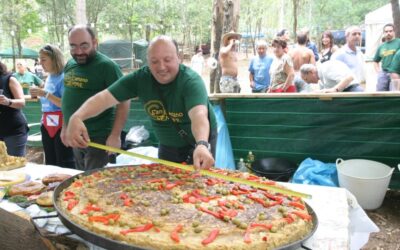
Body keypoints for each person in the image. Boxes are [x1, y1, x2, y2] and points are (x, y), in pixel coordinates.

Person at [64, 35, 217, 169]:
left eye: (167, 60)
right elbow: (104, 98)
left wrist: (202, 144)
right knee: (168, 187)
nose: (161, 67)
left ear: (179, 58)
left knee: (199, 188)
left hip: (198, 140)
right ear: (147, 62)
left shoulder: (191, 82)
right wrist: (77, 116)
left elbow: (199, 115)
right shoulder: (140, 78)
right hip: (167, 143)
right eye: (154, 61)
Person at [61, 25, 130, 171]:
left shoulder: (107, 66)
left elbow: (124, 101)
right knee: (79, 177)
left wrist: (115, 135)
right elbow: (68, 98)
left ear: (95, 42)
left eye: (84, 45)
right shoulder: (70, 64)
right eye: (73, 46)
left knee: (96, 185)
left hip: (100, 138)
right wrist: (65, 127)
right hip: (76, 136)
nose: (79, 51)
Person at [29, 45, 75, 168]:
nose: (40, 63)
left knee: (64, 160)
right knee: (50, 161)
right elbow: (48, 101)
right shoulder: (49, 77)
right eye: (40, 59)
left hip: (62, 123)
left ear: (54, 59)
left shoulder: (64, 77)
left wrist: (45, 93)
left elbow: (66, 104)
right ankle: (52, 186)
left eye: (44, 59)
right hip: (46, 122)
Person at [0, 62, 29, 156]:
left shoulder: (9, 79)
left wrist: (8, 101)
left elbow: (22, 102)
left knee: (16, 165)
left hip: (13, 130)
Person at [374, 23, 400, 91]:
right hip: (384, 73)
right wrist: (378, 72)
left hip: (396, 73)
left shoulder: (399, 42)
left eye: (390, 31)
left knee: (395, 93)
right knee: (380, 93)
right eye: (386, 31)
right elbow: (375, 61)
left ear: (394, 32)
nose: (388, 33)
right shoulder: (381, 46)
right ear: (384, 33)